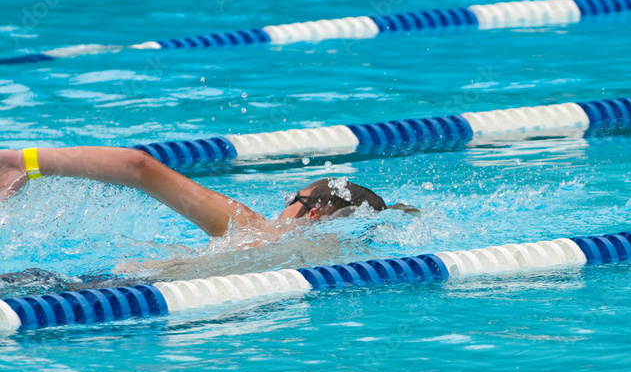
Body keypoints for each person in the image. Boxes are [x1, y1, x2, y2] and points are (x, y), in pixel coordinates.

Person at [0, 146, 404, 243]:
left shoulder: (253, 228)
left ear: (313, 214)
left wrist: (24, 162)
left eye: (291, 199)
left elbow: (140, 168)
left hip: (95, 289)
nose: (282, 205)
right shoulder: (337, 263)